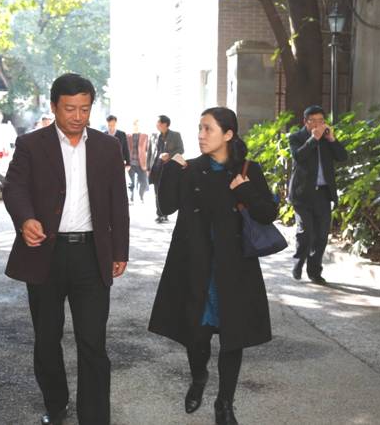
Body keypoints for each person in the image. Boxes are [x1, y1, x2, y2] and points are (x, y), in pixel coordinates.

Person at [2, 73, 129, 425]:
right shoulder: (31, 144)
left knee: (93, 342)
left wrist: (120, 250)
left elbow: (118, 202)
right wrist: (25, 219)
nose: (77, 116)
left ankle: (95, 418)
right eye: (70, 108)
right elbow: (14, 188)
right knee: (47, 338)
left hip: (91, 255)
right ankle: (56, 404)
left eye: (84, 109)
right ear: (54, 106)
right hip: (46, 253)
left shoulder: (107, 147)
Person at [148, 107, 276, 425]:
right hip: (195, 267)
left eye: (208, 129)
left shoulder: (248, 169)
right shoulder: (190, 168)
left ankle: (225, 403)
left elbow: (267, 213)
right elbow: (166, 206)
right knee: (197, 335)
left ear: (228, 134)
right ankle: (199, 377)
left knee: (233, 337)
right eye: (200, 128)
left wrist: (244, 189)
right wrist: (170, 170)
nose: (201, 135)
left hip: (234, 269)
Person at [287, 105, 348, 284]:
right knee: (306, 233)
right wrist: (313, 139)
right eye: (313, 121)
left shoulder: (327, 139)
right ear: (305, 122)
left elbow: (343, 157)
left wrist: (332, 140)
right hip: (302, 194)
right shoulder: (296, 137)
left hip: (323, 194)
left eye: (321, 120)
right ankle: (298, 262)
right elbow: (298, 156)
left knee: (321, 236)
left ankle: (314, 272)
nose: (318, 124)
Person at [149, 115, 184, 223]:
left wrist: (169, 155)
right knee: (157, 192)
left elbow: (181, 149)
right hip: (156, 168)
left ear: (165, 124)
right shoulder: (154, 136)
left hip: (169, 168)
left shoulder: (176, 135)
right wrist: (147, 167)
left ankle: (165, 213)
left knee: (167, 192)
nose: (156, 125)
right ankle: (160, 214)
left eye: (158, 122)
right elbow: (150, 152)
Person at [127, 119, 149, 203]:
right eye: (134, 125)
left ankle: (141, 196)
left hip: (141, 163)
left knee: (143, 182)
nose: (136, 126)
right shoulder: (128, 136)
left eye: (137, 125)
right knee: (131, 182)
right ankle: (131, 198)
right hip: (131, 163)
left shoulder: (145, 136)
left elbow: (148, 149)